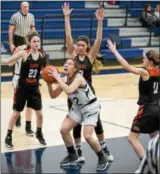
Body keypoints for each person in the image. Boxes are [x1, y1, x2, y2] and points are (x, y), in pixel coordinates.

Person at [62, 2, 113, 163]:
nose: (80, 47)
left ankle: (103, 146)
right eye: (78, 45)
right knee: (75, 124)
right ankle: (78, 150)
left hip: (89, 95)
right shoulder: (72, 55)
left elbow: (98, 38)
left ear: (87, 47)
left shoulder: (90, 57)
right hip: (73, 95)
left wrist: (99, 21)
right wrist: (66, 17)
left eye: (83, 45)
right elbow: (68, 36)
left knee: (96, 122)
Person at [47, 58, 109, 171]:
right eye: (65, 62)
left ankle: (102, 158)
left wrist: (57, 79)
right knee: (64, 130)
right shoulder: (63, 78)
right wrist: (49, 84)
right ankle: (72, 155)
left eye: (69, 63)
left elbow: (69, 90)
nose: (66, 64)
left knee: (88, 136)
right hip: (77, 108)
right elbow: (53, 95)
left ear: (75, 68)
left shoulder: (78, 78)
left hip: (91, 107)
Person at [107, 39, 160, 161]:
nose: (143, 60)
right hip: (157, 107)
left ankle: (146, 163)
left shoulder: (145, 72)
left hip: (147, 109)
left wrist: (115, 52)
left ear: (150, 61)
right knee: (153, 135)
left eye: (144, 59)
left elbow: (127, 67)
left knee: (132, 138)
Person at [1, 32, 47, 148]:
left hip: (34, 89)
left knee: (40, 115)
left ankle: (39, 133)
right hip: (22, 88)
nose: (37, 43)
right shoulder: (24, 53)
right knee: (16, 114)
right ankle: (8, 136)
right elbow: (8, 61)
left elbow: (45, 71)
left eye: (38, 41)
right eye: (34, 41)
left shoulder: (42, 55)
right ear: (29, 43)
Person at [9, 1, 36, 128]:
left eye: (28, 7)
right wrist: (11, 44)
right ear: (21, 7)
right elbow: (11, 30)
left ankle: (30, 77)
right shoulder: (15, 16)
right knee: (17, 63)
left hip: (27, 39)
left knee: (30, 62)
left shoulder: (31, 16)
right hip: (18, 39)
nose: (26, 8)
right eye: (24, 7)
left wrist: (35, 40)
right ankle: (16, 79)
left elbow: (33, 30)